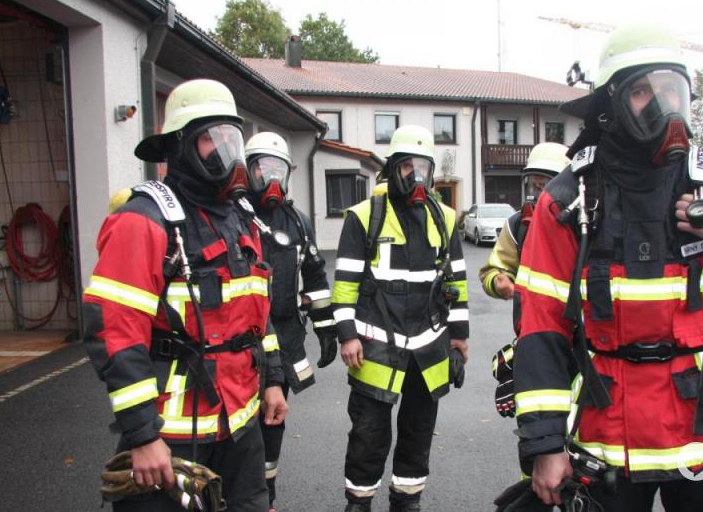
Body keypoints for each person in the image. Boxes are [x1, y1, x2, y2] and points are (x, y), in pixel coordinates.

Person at [512, 24, 703, 511]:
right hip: (607, 436)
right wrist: (543, 446)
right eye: (642, 90)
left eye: (671, 89)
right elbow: (541, 324)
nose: (662, 104)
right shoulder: (567, 199)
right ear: (610, 104)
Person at [83, 79, 288, 512]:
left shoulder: (242, 217)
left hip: (241, 421)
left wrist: (272, 379)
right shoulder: (144, 219)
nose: (225, 152)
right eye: (209, 139)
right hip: (171, 434)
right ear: (178, 148)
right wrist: (142, 436)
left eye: (231, 139)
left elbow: (257, 313)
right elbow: (115, 332)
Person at [331, 125, 470, 512]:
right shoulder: (364, 217)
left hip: (428, 349)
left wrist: (459, 336)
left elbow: (455, 280)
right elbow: (345, 284)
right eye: (407, 166)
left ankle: (406, 501)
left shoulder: (444, 217)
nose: (416, 175)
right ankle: (359, 502)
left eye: (422, 167)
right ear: (391, 168)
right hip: (375, 349)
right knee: (368, 435)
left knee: (417, 432)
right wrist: (346, 335)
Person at [244, 131, 336, 511]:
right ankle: (238, 492)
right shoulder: (233, 216)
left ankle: (267, 495)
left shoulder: (297, 221)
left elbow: (314, 275)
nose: (272, 180)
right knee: (240, 419)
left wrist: (326, 327)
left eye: (278, 170)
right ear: (247, 172)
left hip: (283, 336)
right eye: (263, 169)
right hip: (242, 338)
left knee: (273, 417)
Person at [479, 142, 570, 419]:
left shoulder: (583, 224)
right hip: (532, 340)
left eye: (545, 186)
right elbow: (491, 270)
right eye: (533, 184)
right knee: (537, 430)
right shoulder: (517, 225)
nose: (536, 194)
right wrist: (498, 282)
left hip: (578, 343)